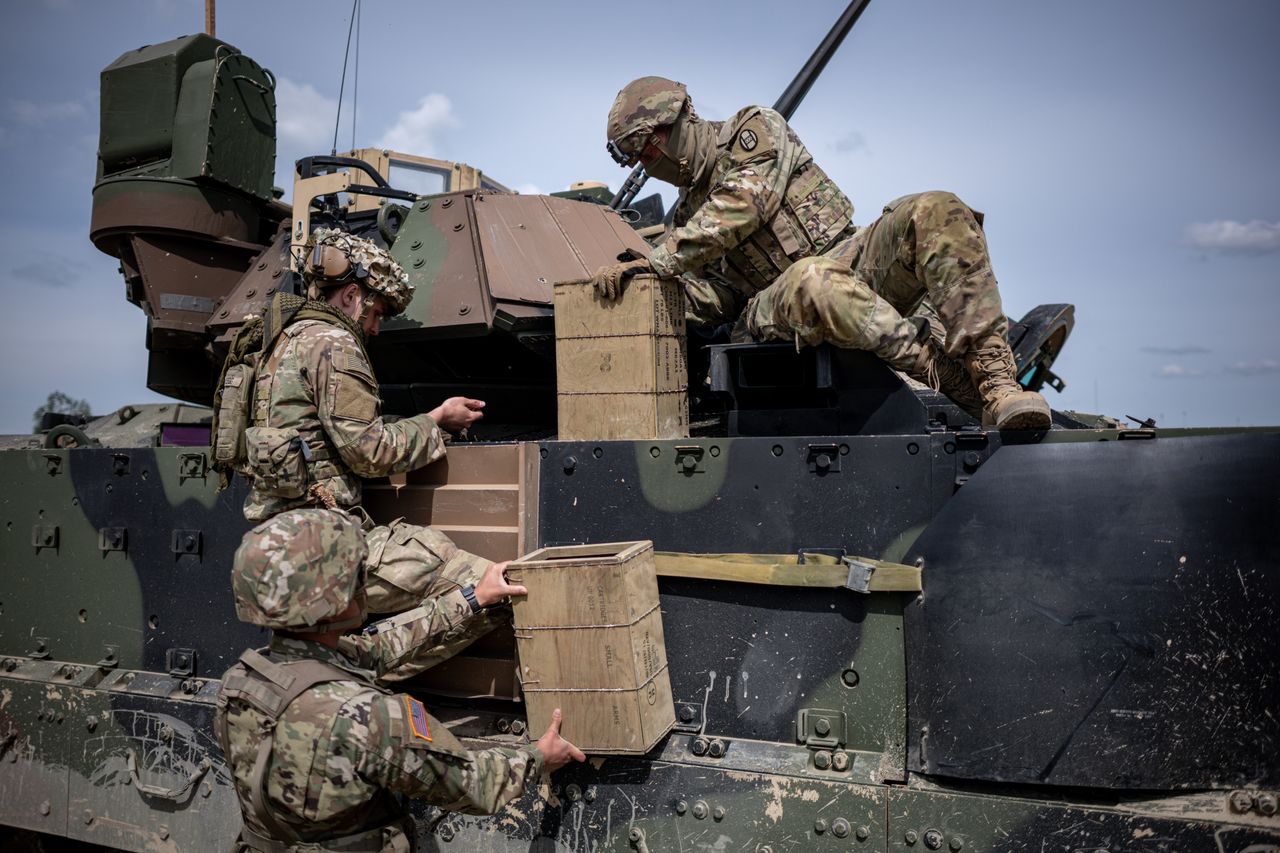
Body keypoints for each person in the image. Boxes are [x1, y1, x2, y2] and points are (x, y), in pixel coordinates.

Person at [596, 76, 1051, 430]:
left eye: (647, 147)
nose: (647, 164)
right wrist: (650, 287)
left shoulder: (753, 131)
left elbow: (745, 204)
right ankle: (943, 374)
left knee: (937, 208)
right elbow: (721, 298)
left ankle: (996, 382)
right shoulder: (685, 224)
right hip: (773, 308)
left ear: (679, 119)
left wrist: (661, 257)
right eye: (634, 157)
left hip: (849, 258)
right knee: (813, 278)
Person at [216, 227, 507, 675]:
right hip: (325, 546)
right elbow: (369, 452)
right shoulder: (334, 343)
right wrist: (436, 421)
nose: (374, 327)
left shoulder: (279, 340)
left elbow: (328, 436)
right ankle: (355, 673)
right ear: (352, 295)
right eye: (376, 312)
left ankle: (343, 666)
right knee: (490, 586)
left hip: (280, 542)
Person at [215, 509, 585, 852]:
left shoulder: (241, 681)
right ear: (337, 595)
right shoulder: (365, 717)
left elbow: (377, 646)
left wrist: (473, 597)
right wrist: (538, 758)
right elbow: (471, 786)